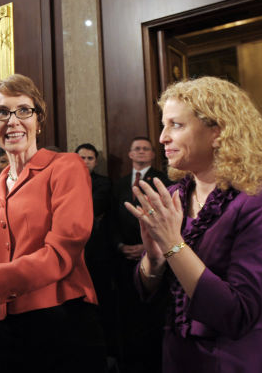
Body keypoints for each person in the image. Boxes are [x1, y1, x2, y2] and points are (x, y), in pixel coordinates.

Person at [125, 76, 262, 372]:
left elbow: (239, 313)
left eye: (176, 125)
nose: (162, 137)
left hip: (231, 361)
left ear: (217, 133)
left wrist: (172, 245)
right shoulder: (174, 195)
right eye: (164, 125)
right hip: (175, 359)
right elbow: (147, 293)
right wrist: (152, 258)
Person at [0, 74, 106, 372]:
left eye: (23, 110)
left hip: (64, 322)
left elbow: (61, 254)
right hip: (10, 331)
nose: (12, 121)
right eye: (1, 112)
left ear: (39, 119)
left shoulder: (66, 167)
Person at [113, 136, 170, 373]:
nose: (141, 152)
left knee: (151, 316)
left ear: (152, 154)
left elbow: (168, 218)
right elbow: (111, 220)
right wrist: (119, 245)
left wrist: (148, 248)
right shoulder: (120, 183)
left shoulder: (163, 180)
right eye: (137, 148)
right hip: (123, 259)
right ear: (130, 154)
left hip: (154, 258)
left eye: (146, 149)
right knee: (127, 315)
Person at [75, 142, 117, 363]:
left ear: (96, 162)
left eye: (89, 158)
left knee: (100, 303)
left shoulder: (103, 183)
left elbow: (92, 208)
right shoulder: (67, 181)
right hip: (73, 255)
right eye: (81, 158)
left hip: (97, 254)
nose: (85, 162)